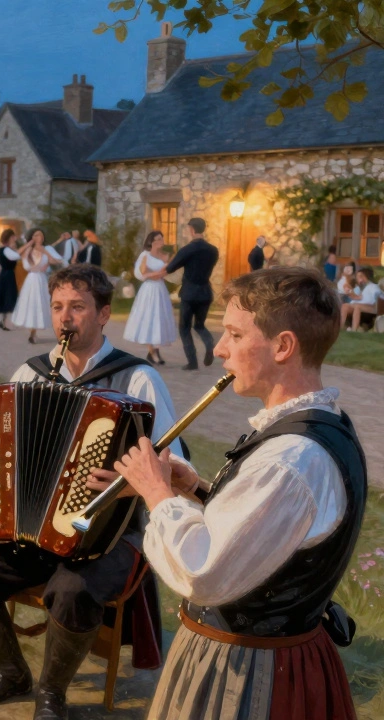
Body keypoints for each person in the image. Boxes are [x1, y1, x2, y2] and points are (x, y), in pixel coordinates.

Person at [115, 267, 364, 720]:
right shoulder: (319, 428)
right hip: (270, 656)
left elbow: (203, 572)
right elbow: (270, 535)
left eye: (233, 334)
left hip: (250, 672)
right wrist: (194, 489)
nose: (220, 349)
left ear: (283, 346)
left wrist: (155, 494)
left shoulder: (289, 459)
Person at [0, 264, 183, 720]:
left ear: (103, 315)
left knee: (71, 590)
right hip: (33, 531)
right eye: (57, 307)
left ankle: (51, 692)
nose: (64, 318)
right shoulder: (30, 372)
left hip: (110, 533)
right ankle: (14, 673)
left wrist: (132, 483)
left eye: (77, 307)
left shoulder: (137, 379)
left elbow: (177, 461)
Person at [166, 217, 220, 371]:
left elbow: (171, 268)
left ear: (191, 229)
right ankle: (209, 343)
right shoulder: (213, 250)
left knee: (184, 328)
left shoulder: (188, 249)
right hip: (205, 292)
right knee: (200, 325)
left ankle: (192, 362)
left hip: (189, 293)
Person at [124, 230, 177, 364]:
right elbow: (142, 274)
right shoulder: (145, 255)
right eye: (158, 239)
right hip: (148, 289)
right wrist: (156, 274)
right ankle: (153, 352)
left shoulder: (165, 256)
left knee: (159, 318)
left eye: (161, 238)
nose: (161, 241)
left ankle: (155, 350)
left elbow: (166, 273)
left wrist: (155, 273)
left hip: (160, 288)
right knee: (149, 317)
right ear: (151, 242)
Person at [10, 228, 62, 344]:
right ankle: (32, 333)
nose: (40, 238)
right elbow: (17, 257)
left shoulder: (47, 249)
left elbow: (57, 261)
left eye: (41, 235)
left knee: (43, 304)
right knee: (31, 305)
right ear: (32, 237)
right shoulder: (27, 250)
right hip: (31, 280)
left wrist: (45, 253)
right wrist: (29, 245)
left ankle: (44, 332)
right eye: (37, 235)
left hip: (41, 279)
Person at [0, 228, 21, 330]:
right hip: (8, 275)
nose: (15, 238)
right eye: (13, 237)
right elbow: (17, 256)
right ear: (9, 238)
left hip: (5, 273)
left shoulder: (1, 249)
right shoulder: (6, 250)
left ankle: (4, 321)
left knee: (6, 296)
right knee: (8, 296)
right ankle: (6, 322)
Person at [340, 266, 381, 331]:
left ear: (366, 276)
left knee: (357, 307)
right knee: (345, 306)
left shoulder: (373, 286)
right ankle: (340, 328)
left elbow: (378, 295)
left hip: (371, 308)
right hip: (359, 306)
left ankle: (354, 330)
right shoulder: (361, 289)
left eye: (361, 276)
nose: (359, 279)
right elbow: (357, 298)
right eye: (358, 277)